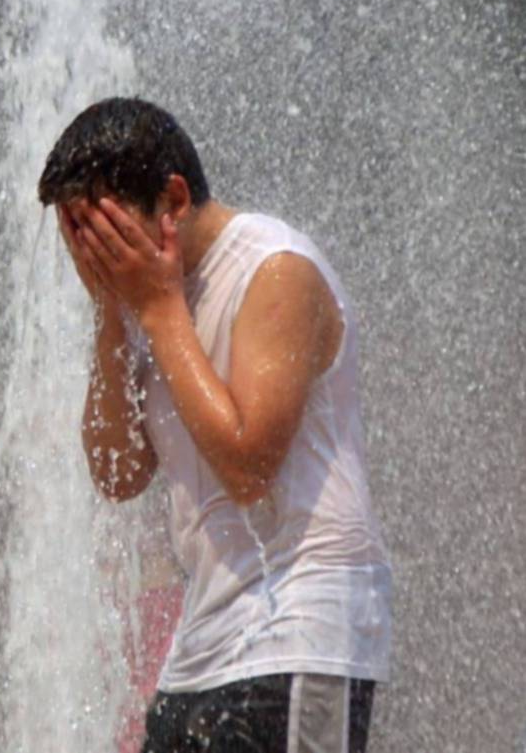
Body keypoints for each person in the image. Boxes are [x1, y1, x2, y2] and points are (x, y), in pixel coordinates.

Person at [38, 98, 391, 752]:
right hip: (203, 644)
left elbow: (248, 467)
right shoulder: (145, 295)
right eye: (77, 238)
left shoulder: (275, 270)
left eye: (102, 233)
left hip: (301, 628)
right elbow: (117, 474)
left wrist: (158, 308)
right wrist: (111, 316)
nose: (90, 256)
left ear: (170, 201)